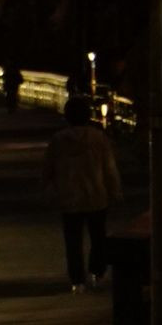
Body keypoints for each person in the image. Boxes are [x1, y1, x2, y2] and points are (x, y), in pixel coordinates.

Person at [46, 95, 120, 293]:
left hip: (69, 196)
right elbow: (109, 167)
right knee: (98, 237)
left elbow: (49, 168)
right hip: (96, 195)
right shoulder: (99, 138)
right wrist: (115, 190)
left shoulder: (58, 140)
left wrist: (49, 189)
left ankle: (77, 279)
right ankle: (97, 271)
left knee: (72, 240)